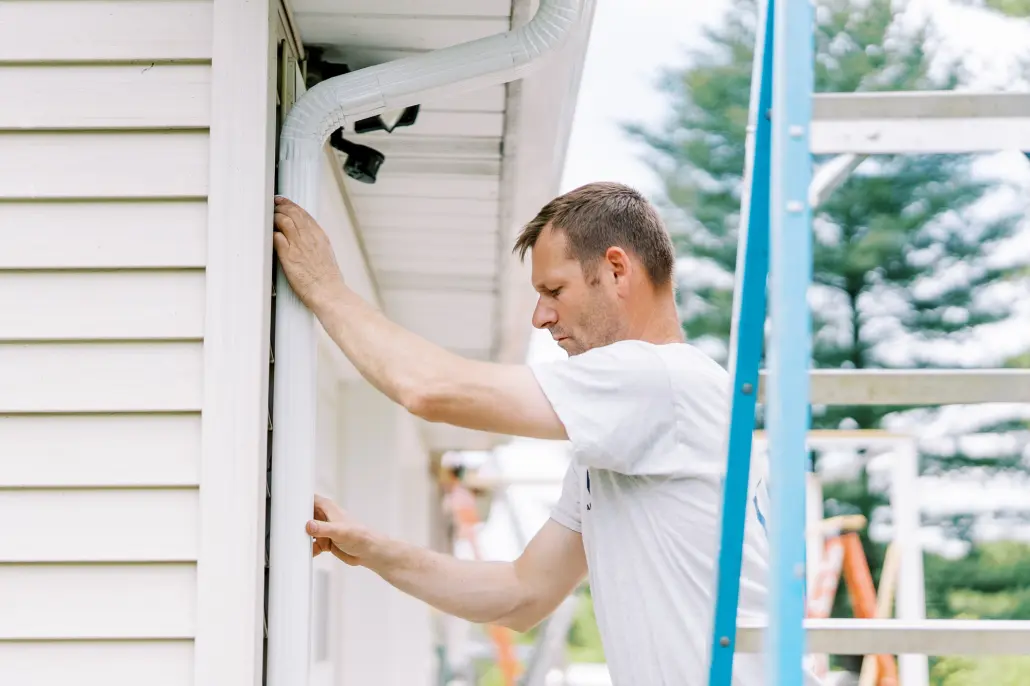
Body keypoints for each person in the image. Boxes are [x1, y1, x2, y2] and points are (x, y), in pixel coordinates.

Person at [272, 182, 790, 685]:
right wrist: (373, 549)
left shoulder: (656, 379)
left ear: (615, 269)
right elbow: (522, 595)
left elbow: (430, 389)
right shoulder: (621, 439)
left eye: (553, 290)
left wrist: (325, 290)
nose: (541, 317)